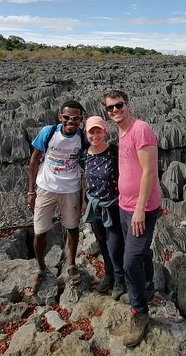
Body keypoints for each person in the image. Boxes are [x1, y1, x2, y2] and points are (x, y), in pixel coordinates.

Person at [103, 89, 161, 348]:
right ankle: (147, 285)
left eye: (119, 105)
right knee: (139, 253)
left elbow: (150, 171)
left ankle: (139, 312)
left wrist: (139, 208)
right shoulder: (122, 131)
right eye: (110, 108)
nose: (115, 110)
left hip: (142, 209)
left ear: (128, 104)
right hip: (125, 205)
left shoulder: (141, 129)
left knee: (129, 262)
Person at [27, 100, 87, 292]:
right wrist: (31, 191)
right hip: (45, 187)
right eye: (67, 117)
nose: (71, 121)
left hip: (70, 189)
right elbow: (34, 161)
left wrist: (84, 196)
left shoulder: (82, 137)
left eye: (75, 118)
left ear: (81, 119)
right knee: (40, 231)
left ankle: (71, 264)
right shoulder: (49, 132)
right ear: (60, 117)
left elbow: (86, 166)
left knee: (72, 227)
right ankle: (41, 267)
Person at [81, 115, 126, 301]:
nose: (95, 135)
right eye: (91, 131)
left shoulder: (114, 151)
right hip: (94, 207)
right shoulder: (83, 155)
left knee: (115, 245)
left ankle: (120, 280)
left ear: (105, 132)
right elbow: (82, 179)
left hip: (113, 206)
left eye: (98, 130)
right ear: (86, 133)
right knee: (102, 243)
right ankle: (109, 276)